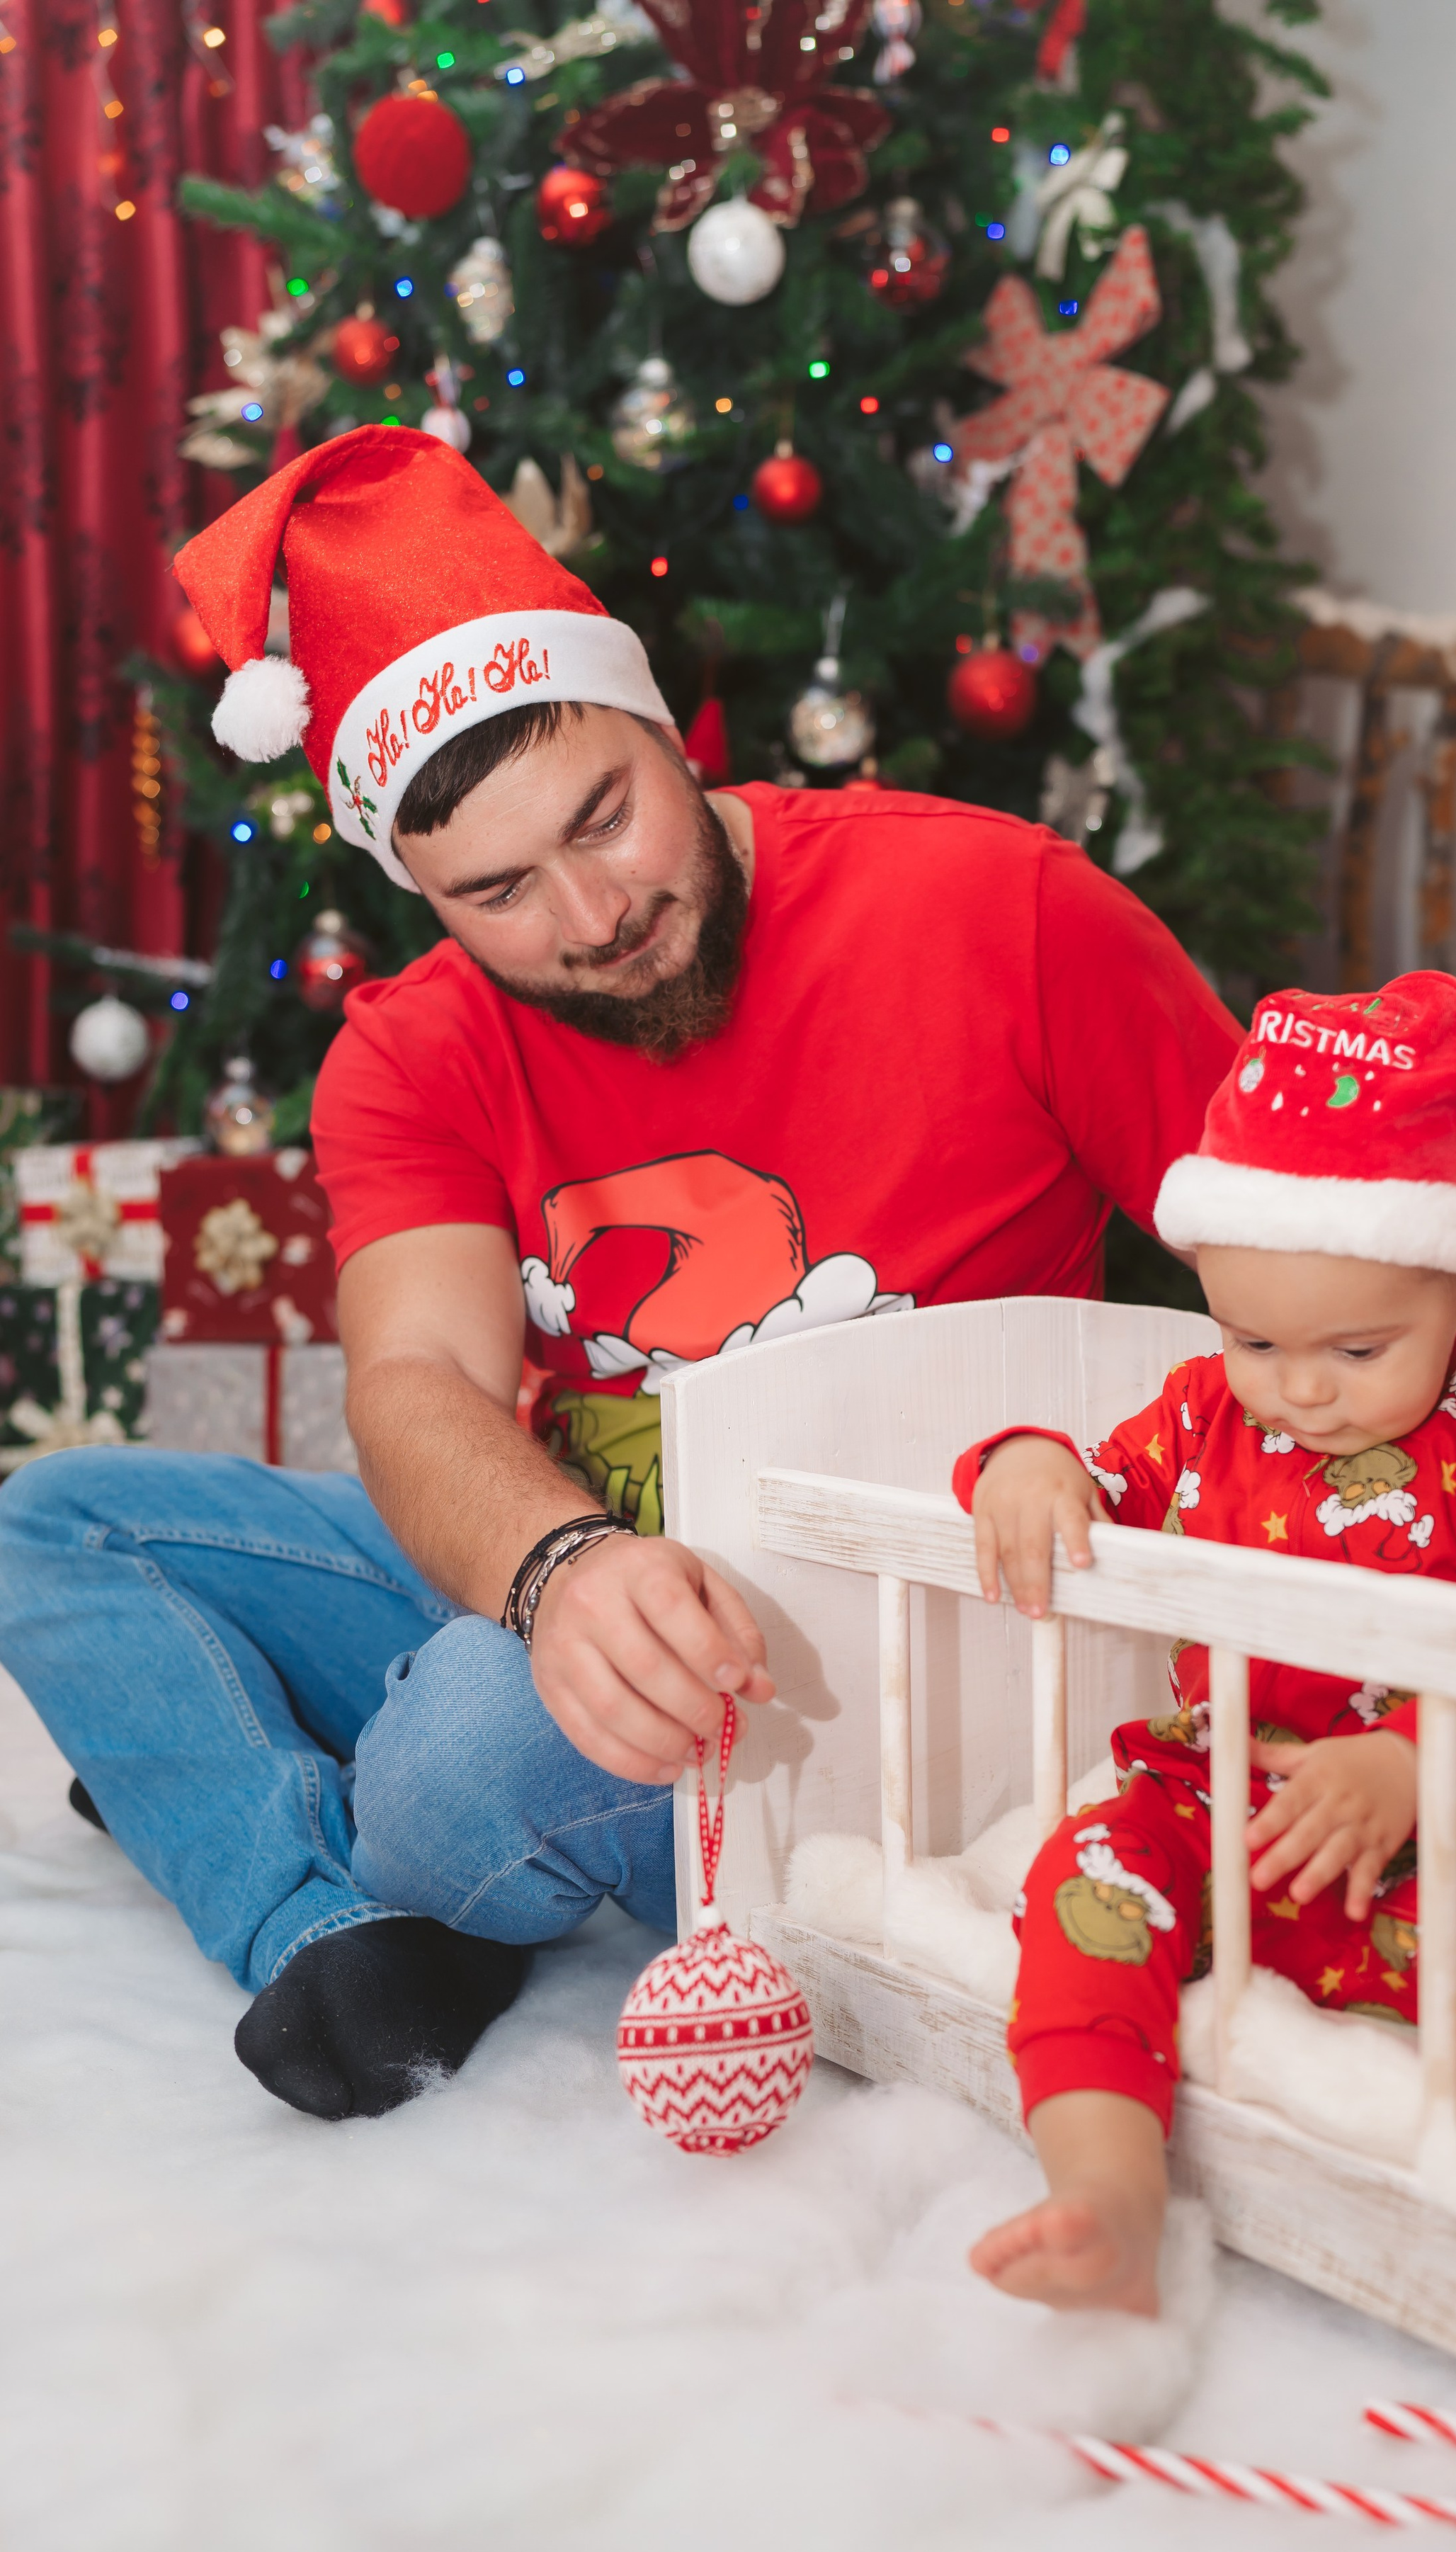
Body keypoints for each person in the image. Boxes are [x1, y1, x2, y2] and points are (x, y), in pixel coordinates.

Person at [0, 425, 1242, 2123]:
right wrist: (561, 1571)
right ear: (416, 893)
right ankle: (325, 1922)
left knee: (459, 1760)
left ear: (663, 724)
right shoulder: (407, 1057)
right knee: (55, 1523)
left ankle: (287, 1790)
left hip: (862, 1650)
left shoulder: (1002, 910)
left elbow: (1291, 1275)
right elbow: (420, 1385)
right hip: (573, 1539)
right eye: (497, 891)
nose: (593, 915)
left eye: (608, 815)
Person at [951, 972, 1456, 2303]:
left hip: (1432, 1835)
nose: (1301, 1390)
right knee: (1083, 1882)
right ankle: (1106, 2193)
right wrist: (1027, 1460)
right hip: (1204, 1803)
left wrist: (1414, 1764)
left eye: (1360, 1348)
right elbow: (1099, 1474)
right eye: (1255, 1337)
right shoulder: (1207, 1416)